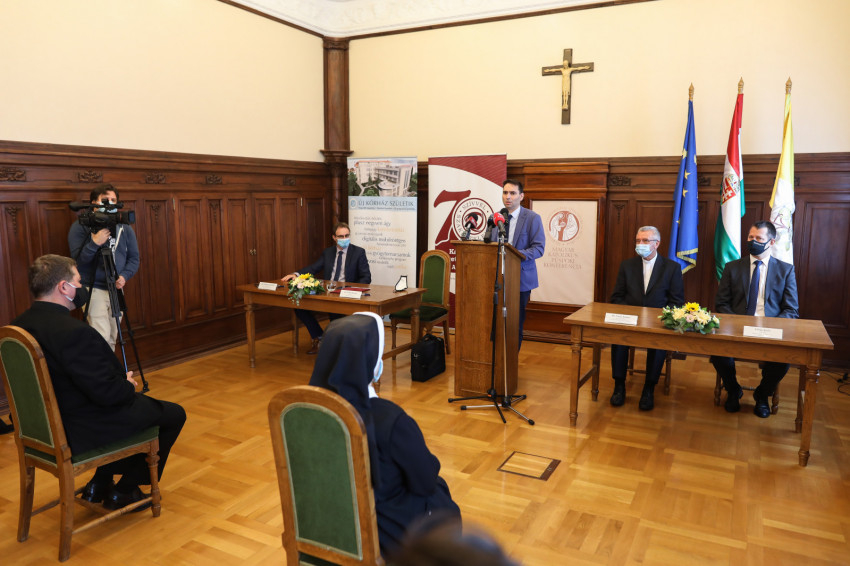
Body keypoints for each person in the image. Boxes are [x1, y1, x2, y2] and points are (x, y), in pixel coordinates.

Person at [12, 255, 185, 509]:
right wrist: (126, 384)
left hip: (41, 428)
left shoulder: (17, 327)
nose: (80, 287)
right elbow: (108, 394)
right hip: (77, 428)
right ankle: (124, 490)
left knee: (135, 407)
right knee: (173, 414)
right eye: (78, 281)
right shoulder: (74, 332)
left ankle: (99, 483)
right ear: (63, 287)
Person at [308, 313, 460, 555]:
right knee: (441, 495)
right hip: (382, 534)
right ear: (371, 364)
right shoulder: (390, 419)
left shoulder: (302, 412)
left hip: (321, 524)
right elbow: (424, 481)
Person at [711, 220, 799, 418]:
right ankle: (733, 389)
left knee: (783, 361)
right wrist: (737, 323)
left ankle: (762, 395)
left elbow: (791, 309)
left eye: (759, 238)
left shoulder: (785, 270)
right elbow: (721, 303)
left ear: (771, 242)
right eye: (751, 237)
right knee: (717, 353)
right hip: (736, 328)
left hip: (770, 330)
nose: (753, 241)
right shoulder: (732, 267)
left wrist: (771, 327)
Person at [609, 226, 684, 411]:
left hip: (657, 322)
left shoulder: (672, 268)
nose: (640, 244)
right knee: (618, 340)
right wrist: (628, 315)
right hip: (630, 321)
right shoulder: (627, 265)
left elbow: (677, 302)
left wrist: (662, 319)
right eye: (638, 241)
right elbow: (616, 297)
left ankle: (649, 389)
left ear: (656, 244)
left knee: (658, 344)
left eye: (645, 240)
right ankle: (619, 386)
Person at [68, 184, 140, 350]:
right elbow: (77, 262)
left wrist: (124, 276)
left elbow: (134, 258)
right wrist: (95, 243)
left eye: (114, 200)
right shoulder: (80, 226)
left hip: (116, 288)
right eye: (105, 200)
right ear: (94, 202)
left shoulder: (124, 226)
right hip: (93, 288)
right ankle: (102, 367)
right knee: (101, 337)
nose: (110, 204)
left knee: (113, 336)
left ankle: (108, 367)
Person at [280, 222, 371, 354]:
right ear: (334, 237)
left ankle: (334, 344)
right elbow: (313, 268)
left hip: (346, 293)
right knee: (299, 306)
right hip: (328, 292)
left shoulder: (358, 252)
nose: (344, 239)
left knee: (335, 313)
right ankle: (320, 337)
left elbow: (366, 277)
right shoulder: (328, 252)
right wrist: (296, 274)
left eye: (347, 235)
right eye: (341, 236)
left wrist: (351, 290)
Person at [487, 180, 546, 349]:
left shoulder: (532, 218)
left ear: (521, 196)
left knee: (514, 322)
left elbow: (539, 248)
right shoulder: (495, 218)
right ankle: (496, 356)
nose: (508, 197)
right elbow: (489, 245)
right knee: (494, 321)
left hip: (520, 278)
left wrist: (515, 255)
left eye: (512, 193)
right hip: (495, 278)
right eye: (505, 192)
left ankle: (511, 358)